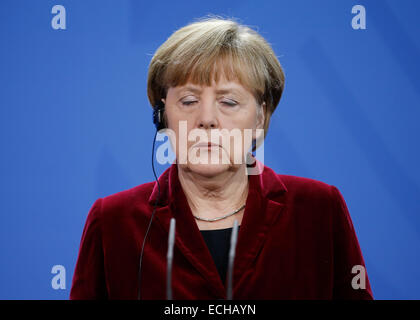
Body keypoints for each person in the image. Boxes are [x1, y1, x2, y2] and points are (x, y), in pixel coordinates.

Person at [70, 17, 373, 300]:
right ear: (162, 117)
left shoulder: (319, 209)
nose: (207, 119)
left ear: (259, 117)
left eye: (228, 102)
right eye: (188, 101)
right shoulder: (113, 221)